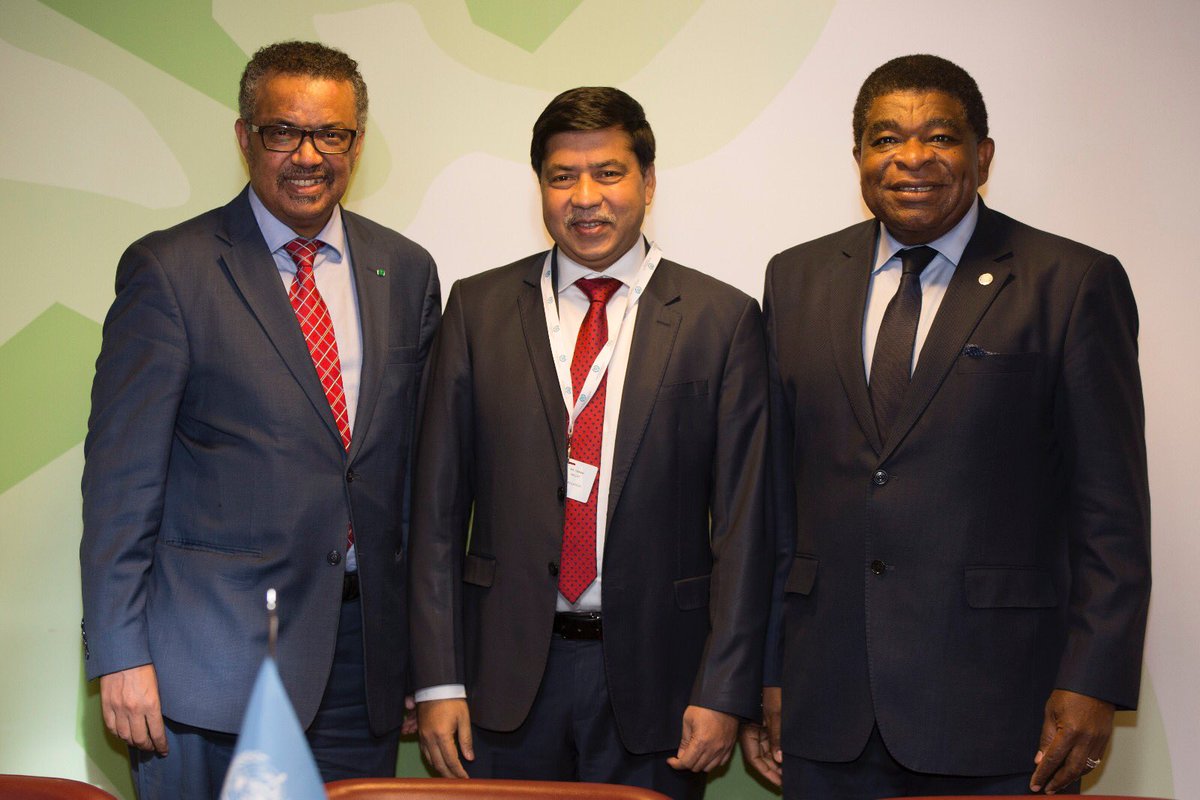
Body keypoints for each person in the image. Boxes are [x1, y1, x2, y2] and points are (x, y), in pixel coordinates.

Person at [742, 54, 1151, 798]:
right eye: (885, 138)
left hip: (999, 705)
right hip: (826, 700)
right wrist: (767, 672)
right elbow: (776, 504)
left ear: (982, 156)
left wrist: (1094, 680)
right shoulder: (795, 279)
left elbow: (1111, 512)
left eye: (939, 136)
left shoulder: (1071, 283)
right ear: (859, 158)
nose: (912, 158)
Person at [79, 40, 440, 797]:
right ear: (245, 137)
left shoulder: (405, 270)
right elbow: (120, 483)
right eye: (284, 131)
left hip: (360, 666)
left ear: (357, 144)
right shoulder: (170, 270)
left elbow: (411, 478)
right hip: (205, 671)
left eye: (330, 134)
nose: (308, 155)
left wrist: (420, 658)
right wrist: (120, 652)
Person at [408, 86, 769, 800]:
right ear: (539, 186)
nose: (585, 198)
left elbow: (745, 526)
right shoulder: (477, 309)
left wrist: (724, 688)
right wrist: (439, 681)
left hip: (661, 682)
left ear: (648, 182)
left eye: (608, 173)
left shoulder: (721, 320)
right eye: (561, 176)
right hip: (500, 680)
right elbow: (436, 514)